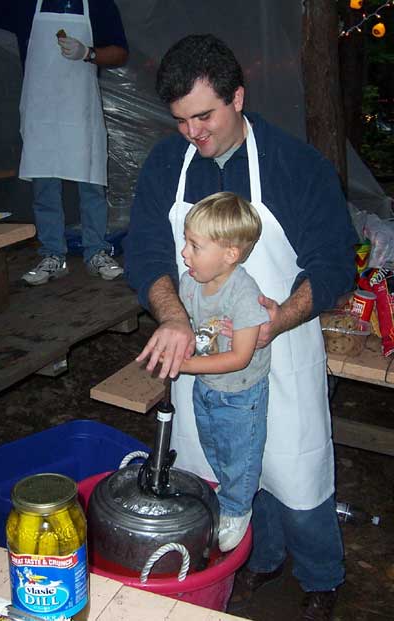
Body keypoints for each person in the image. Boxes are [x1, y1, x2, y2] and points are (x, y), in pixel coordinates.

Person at [125, 34, 358, 620]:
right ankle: (260, 561)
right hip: (201, 355)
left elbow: (332, 263)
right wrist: (175, 318)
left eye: (204, 116)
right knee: (222, 472)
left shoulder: (294, 165)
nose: (193, 134)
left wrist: (279, 318)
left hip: (279, 348)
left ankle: (321, 578)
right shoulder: (166, 165)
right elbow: (148, 254)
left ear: (238, 97)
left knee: (296, 472)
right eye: (181, 121)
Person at [0, 0, 127, 285]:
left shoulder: (99, 5)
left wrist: (88, 53)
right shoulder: (26, 5)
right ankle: (53, 255)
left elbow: (118, 52)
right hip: (41, 109)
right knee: (44, 185)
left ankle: (96, 252)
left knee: (91, 183)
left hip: (81, 109)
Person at [172, 191, 270, 551]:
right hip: (208, 384)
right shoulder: (190, 282)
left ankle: (238, 507)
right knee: (213, 444)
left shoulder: (243, 293)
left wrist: (184, 364)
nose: (184, 252)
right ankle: (227, 494)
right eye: (186, 241)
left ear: (230, 254)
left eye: (194, 246)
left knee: (240, 453)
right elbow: (184, 324)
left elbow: (239, 357)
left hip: (241, 392)